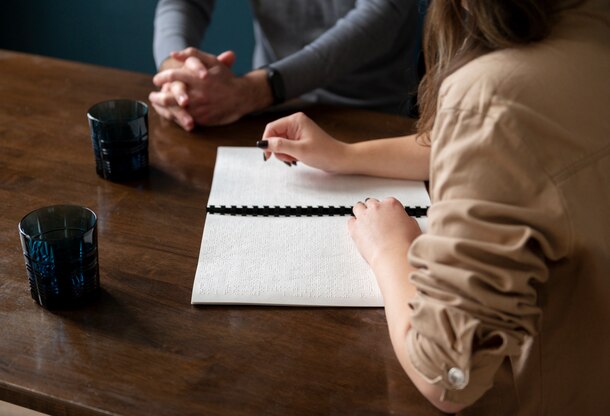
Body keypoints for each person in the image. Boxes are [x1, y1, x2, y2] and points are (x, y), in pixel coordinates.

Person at [256, 0, 610, 413]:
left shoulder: (490, 95)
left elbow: (446, 376)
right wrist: (344, 155)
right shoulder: (591, 27)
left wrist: (390, 247)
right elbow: (509, 138)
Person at [150, 0, 421, 130]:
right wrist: (176, 71)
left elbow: (381, 15)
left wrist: (254, 90)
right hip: (268, 110)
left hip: (370, 115)